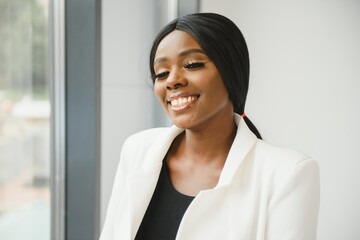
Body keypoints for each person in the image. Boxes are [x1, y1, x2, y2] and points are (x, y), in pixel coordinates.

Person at [100, 13, 320, 240]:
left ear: (230, 71)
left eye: (192, 64)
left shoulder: (288, 173)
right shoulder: (137, 150)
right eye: (161, 73)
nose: (172, 80)